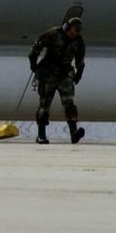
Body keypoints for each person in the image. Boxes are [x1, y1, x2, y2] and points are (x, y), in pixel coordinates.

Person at [28, 16, 85, 144]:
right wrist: (33, 63)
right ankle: (41, 135)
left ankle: (74, 133)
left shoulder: (78, 41)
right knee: (44, 104)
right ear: (67, 27)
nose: (73, 34)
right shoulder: (54, 34)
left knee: (69, 103)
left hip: (65, 75)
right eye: (72, 31)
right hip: (48, 74)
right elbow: (37, 45)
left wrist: (78, 74)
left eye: (76, 32)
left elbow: (80, 60)